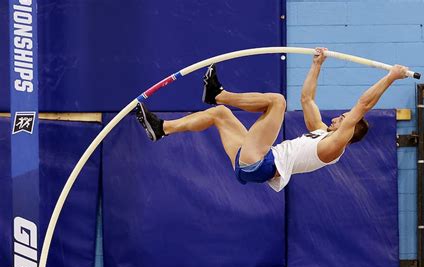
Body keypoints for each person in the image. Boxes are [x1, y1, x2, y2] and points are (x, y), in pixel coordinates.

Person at [136, 47, 408, 192]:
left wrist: (390, 77)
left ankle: (218, 94)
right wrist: (317, 64)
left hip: (261, 163)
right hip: (249, 168)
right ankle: (162, 128)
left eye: (344, 119)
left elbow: (364, 104)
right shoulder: (321, 133)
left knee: (277, 101)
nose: (338, 117)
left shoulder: (335, 145)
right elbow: (307, 100)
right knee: (220, 117)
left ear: (351, 131)